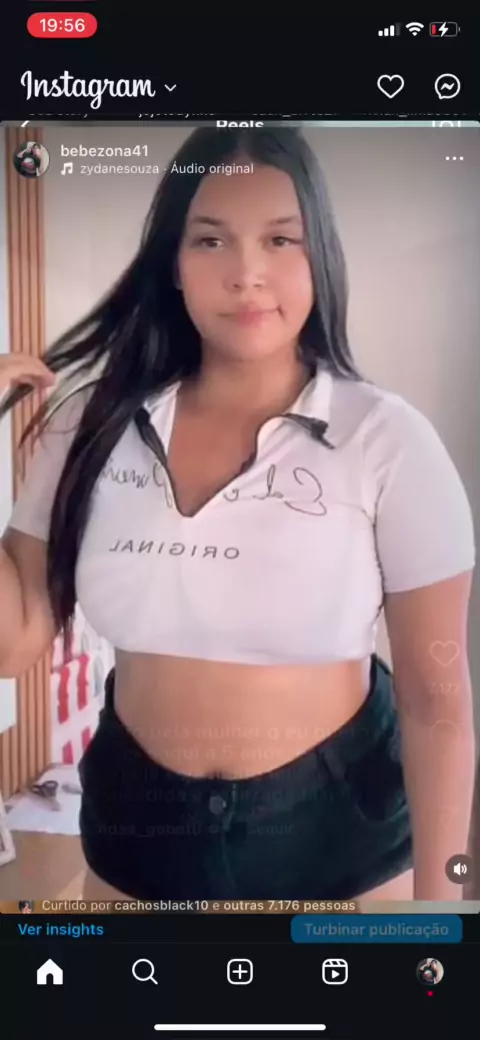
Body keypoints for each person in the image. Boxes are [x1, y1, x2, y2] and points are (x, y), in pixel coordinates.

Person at [0, 128, 476, 903]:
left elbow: (438, 705)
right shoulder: (86, 426)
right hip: (136, 822)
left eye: (280, 239)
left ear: (319, 257)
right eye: (211, 239)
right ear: (174, 263)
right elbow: (11, 642)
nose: (247, 273)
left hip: (340, 826)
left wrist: (441, 907)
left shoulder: (389, 441)